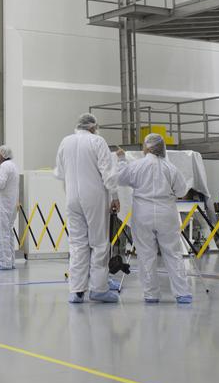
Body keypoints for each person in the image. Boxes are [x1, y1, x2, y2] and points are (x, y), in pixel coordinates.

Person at [115, 134, 193, 304]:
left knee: (146, 254)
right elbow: (181, 191)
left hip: (142, 213)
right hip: (167, 213)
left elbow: (120, 178)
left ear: (148, 148)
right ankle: (182, 293)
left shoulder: (137, 165)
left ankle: (151, 294)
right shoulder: (171, 168)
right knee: (173, 253)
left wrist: (121, 159)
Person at [54, 113, 119, 304]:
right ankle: (98, 289)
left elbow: (59, 172)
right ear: (92, 127)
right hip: (95, 198)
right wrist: (115, 196)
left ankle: (76, 291)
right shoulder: (97, 141)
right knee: (99, 243)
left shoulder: (65, 142)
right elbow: (108, 173)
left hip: (72, 198)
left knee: (77, 244)